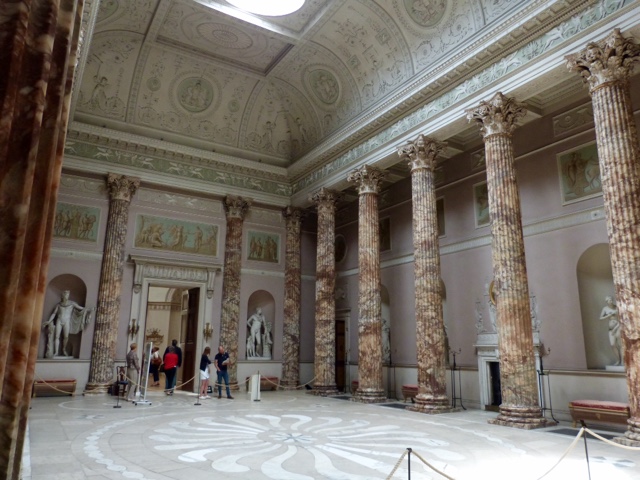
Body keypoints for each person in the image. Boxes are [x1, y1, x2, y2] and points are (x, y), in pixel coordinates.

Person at [42, 290, 93, 358]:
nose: (67, 296)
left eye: (68, 295)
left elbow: (81, 309)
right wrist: (49, 321)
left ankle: (64, 349)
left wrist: (89, 310)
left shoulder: (72, 304)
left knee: (66, 337)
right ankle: (56, 352)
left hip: (67, 321)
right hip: (59, 320)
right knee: (57, 336)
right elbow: (54, 313)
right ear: (63, 296)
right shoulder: (59, 305)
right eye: (66, 295)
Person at [599, 295, 623, 366]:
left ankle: (622, 361)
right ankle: (618, 360)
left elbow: (621, 319)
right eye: (609, 300)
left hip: (617, 327)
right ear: (606, 302)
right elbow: (600, 318)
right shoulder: (605, 309)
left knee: (620, 344)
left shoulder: (617, 307)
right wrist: (609, 315)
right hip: (611, 329)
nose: (611, 301)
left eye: (611, 300)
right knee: (612, 344)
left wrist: (615, 328)